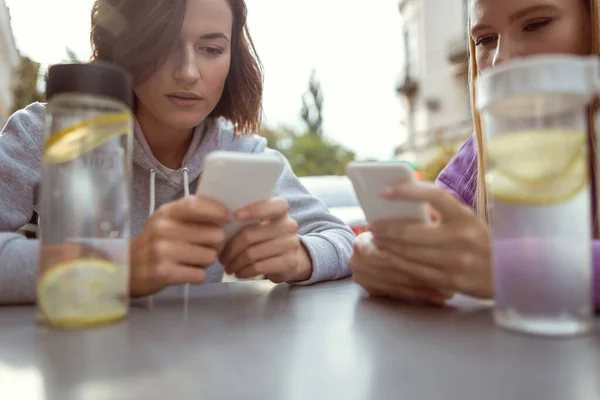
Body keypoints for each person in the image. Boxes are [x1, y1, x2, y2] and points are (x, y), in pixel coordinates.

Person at [0, 0, 355, 305]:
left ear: (234, 58)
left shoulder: (244, 152)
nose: (187, 72)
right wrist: (117, 267)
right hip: (73, 361)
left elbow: (342, 239)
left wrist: (299, 256)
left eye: (212, 50)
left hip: (200, 372)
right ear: (126, 47)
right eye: (163, 44)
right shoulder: (51, 131)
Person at [349, 0, 600, 309]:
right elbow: (434, 229)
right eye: (485, 40)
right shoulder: (480, 151)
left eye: (536, 24)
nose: (500, 60)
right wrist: (381, 254)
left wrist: (515, 270)